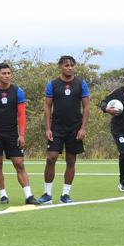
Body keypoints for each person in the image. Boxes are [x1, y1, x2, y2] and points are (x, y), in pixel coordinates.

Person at [37, 55, 90, 204]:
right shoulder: (53, 84)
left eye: (72, 65)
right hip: (57, 128)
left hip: (75, 127)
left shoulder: (81, 84)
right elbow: (47, 107)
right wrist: (48, 128)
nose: (70, 68)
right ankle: (47, 194)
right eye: (66, 65)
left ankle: (65, 194)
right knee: (51, 157)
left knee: (71, 160)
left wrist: (83, 128)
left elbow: (86, 106)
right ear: (60, 66)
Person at [0, 62, 36, 205]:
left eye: (8, 73)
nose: (7, 76)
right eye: (3, 73)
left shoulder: (17, 91)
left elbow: (22, 114)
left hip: (12, 134)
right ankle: (3, 195)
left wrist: (21, 134)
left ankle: (29, 196)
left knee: (19, 163)